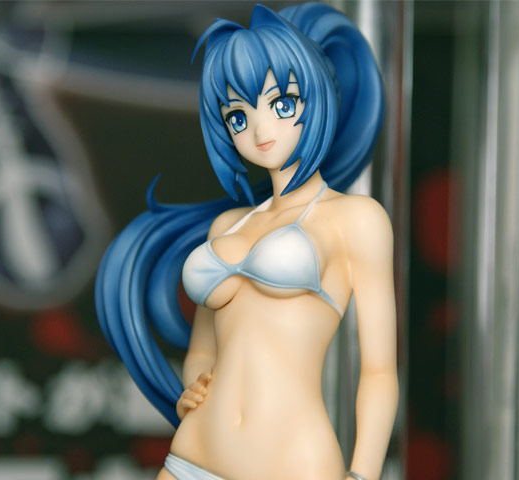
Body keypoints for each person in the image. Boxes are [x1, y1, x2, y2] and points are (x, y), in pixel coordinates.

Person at [96, 3, 397, 479]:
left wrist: (363, 474)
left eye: (282, 105)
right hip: (195, 454)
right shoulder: (227, 226)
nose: (260, 131)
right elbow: (204, 349)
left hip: (292, 464)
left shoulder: (356, 220)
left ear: (317, 99)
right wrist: (193, 385)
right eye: (238, 116)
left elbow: (379, 373)